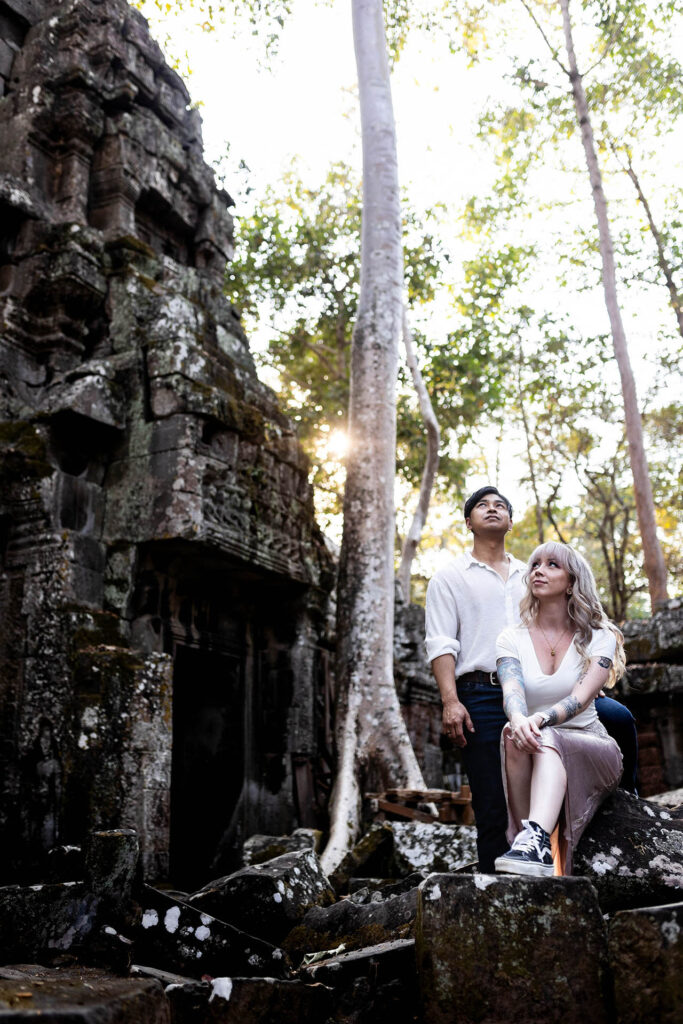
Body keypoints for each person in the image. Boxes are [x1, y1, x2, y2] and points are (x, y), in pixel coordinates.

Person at [425, 485, 637, 873]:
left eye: (500, 506)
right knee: (492, 796)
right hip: (487, 689)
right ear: (467, 521)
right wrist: (450, 700)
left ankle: (628, 799)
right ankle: (501, 877)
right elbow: (441, 643)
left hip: (555, 687)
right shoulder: (449, 577)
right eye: (481, 506)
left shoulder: (531, 570)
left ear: (510, 521)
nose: (492, 509)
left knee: (620, 717)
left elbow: (573, 627)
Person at [494, 542, 624, 877]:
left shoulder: (600, 635)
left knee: (546, 734)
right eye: (535, 564)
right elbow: (512, 691)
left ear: (571, 582)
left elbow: (581, 698)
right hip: (534, 744)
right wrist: (520, 719)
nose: (538, 569)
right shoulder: (511, 637)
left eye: (552, 564)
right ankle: (527, 845)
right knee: (512, 733)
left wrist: (537, 719)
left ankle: (535, 838)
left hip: (590, 745)